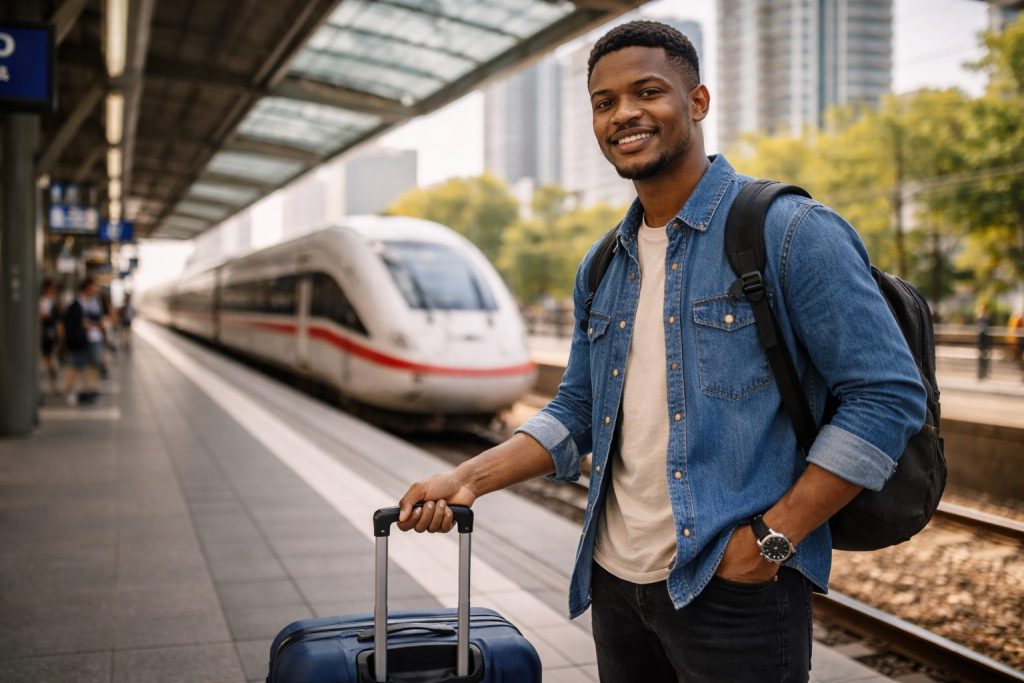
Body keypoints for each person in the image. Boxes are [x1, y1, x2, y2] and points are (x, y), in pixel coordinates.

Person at [396, 21, 925, 683]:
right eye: (605, 101)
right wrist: (468, 479)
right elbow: (579, 408)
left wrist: (772, 538)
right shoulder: (603, 265)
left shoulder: (790, 231)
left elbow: (886, 395)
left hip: (734, 589)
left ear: (697, 101)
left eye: (648, 91)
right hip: (616, 584)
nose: (625, 114)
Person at [63, 278, 105, 406]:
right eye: (94, 287)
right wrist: (90, 325)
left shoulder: (95, 303)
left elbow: (99, 320)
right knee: (76, 366)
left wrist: (94, 325)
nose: (96, 289)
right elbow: (75, 323)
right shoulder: (76, 305)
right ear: (86, 288)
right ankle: (71, 392)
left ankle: (88, 391)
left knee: (92, 366)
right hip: (79, 341)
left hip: (94, 339)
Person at [39, 279, 63, 396]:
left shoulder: (54, 303)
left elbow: (58, 321)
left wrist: (59, 338)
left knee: (52, 362)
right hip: (40, 335)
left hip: (50, 336)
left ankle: (54, 385)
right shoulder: (38, 301)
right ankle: (40, 388)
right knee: (43, 363)